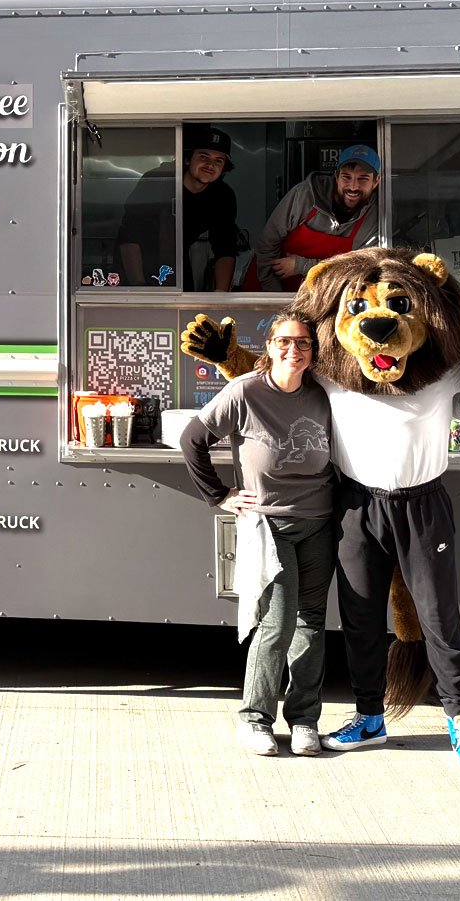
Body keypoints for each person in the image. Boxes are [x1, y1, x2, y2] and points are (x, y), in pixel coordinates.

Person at [181, 311, 335, 757]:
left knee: (312, 622)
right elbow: (193, 439)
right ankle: (255, 718)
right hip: (270, 524)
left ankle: (305, 720)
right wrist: (219, 495)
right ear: (269, 347)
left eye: (304, 342)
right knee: (280, 619)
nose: (295, 350)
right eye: (285, 342)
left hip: (319, 521)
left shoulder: (322, 394)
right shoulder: (245, 390)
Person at [117, 124, 241, 290]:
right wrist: (139, 287)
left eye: (218, 161)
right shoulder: (158, 182)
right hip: (135, 264)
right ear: (188, 158)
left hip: (178, 262)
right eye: (204, 157)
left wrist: (221, 294)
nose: (210, 165)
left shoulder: (222, 195)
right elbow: (129, 235)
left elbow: (225, 246)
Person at [250, 144, 382, 291]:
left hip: (325, 296)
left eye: (363, 179)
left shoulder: (376, 216)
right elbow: (266, 246)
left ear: (376, 181)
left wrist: (302, 266)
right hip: (268, 284)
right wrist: (274, 298)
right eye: (346, 177)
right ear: (336, 176)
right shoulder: (305, 195)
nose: (353, 186)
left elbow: (361, 267)